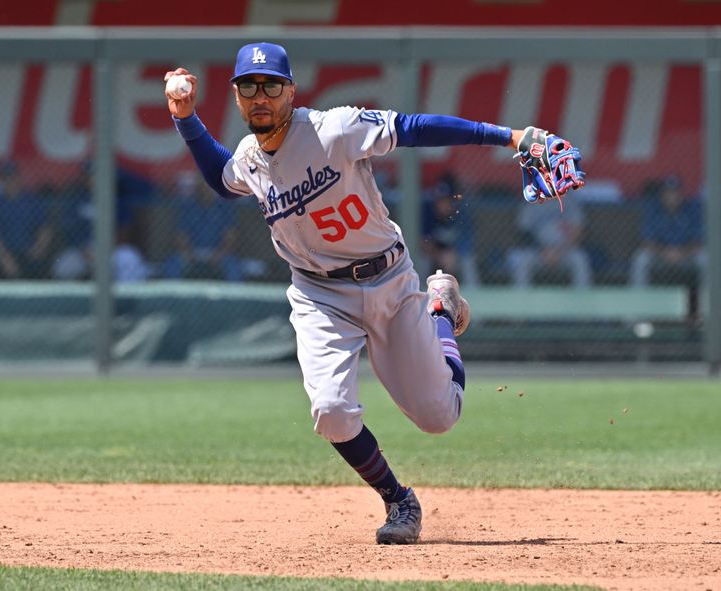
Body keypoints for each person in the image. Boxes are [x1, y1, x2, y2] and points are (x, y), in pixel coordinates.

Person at [164, 42, 579, 544]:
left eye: (272, 85)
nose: (260, 96)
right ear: (235, 96)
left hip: (389, 279)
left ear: (290, 91)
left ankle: (441, 310)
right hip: (320, 295)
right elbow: (219, 176)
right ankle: (398, 500)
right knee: (331, 413)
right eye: (248, 87)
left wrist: (510, 136)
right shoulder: (251, 159)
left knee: (439, 417)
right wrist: (186, 117)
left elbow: (415, 126)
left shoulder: (332, 129)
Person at [0, 160, 54, 280]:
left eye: (12, 177)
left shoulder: (32, 201)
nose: (10, 181)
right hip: (4, 253)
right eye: (5, 178)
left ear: (19, 178)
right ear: (0, 181)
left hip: (28, 252)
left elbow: (45, 229)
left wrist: (39, 248)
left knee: (43, 270)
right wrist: (4, 258)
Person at [629, 174, 705, 288]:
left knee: (704, 259)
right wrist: (665, 253)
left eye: (675, 192)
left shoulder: (692, 209)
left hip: (687, 254)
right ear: (662, 195)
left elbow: (699, 240)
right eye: (668, 193)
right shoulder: (653, 209)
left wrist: (682, 253)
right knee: (641, 259)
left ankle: (709, 296)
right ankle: (639, 298)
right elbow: (646, 241)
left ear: (681, 194)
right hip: (659, 255)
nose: (672, 196)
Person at [505, 195, 593, 287]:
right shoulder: (532, 201)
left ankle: (582, 299)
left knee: (580, 260)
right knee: (521, 262)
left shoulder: (569, 201)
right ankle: (522, 299)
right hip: (537, 251)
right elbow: (523, 232)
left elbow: (579, 230)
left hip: (565, 250)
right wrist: (541, 249)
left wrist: (560, 250)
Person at [420, 173, 481, 287]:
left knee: (468, 261)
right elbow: (424, 242)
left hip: (456, 252)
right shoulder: (429, 213)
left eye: (445, 201)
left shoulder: (462, 214)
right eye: (439, 201)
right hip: (435, 252)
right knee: (423, 260)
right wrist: (438, 254)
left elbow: (468, 242)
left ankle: (473, 291)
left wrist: (455, 253)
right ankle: (419, 291)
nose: (441, 204)